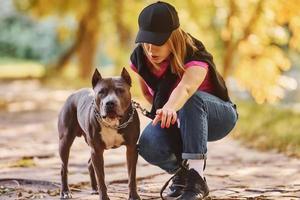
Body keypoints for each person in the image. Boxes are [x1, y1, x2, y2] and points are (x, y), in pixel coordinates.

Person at [129, 1, 238, 199]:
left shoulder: (194, 53)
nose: (151, 49)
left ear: (173, 37)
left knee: (192, 101)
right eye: (146, 41)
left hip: (217, 116)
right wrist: (164, 113)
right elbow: (148, 94)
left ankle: (196, 178)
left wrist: (170, 107)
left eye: (158, 42)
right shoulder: (140, 58)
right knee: (148, 144)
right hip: (179, 119)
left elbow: (186, 89)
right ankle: (184, 175)